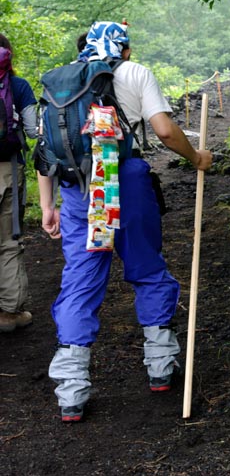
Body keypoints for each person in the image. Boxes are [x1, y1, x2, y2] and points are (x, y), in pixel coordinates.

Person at [37, 21, 213, 422]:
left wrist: (48, 205)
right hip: (125, 180)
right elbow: (165, 131)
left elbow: (46, 151)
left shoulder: (62, 83)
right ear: (125, 48)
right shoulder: (134, 72)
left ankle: (71, 389)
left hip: (79, 189)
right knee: (146, 266)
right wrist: (197, 158)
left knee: (81, 279)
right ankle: (160, 366)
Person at [0, 34, 37, 332]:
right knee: (8, 243)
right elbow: (33, 130)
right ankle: (9, 314)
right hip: (8, 171)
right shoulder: (19, 86)